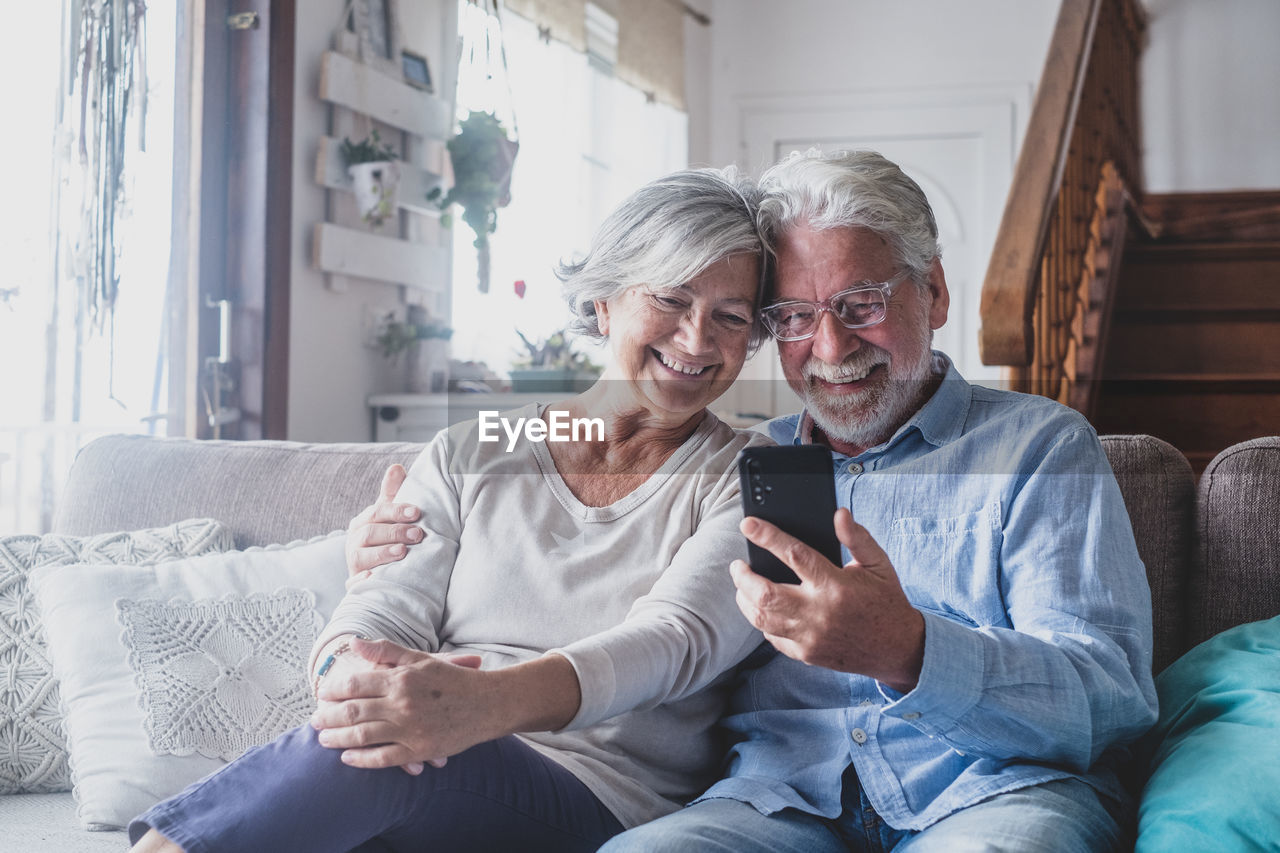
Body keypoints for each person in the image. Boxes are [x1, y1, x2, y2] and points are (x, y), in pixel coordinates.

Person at [359, 149, 1160, 851]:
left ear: (936, 294)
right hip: (779, 805)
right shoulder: (737, 463)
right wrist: (374, 544)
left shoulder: (1042, 448)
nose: (832, 347)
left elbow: (1114, 697)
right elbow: (566, 570)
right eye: (795, 317)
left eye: (862, 305)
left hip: (993, 795)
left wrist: (910, 649)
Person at [127, 166, 775, 853]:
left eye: (731, 316)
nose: (698, 338)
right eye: (672, 298)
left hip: (595, 798)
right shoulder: (481, 447)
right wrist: (346, 670)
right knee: (380, 748)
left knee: (396, 755)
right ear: (606, 301)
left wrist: (479, 707)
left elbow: (674, 642)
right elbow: (380, 608)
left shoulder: (747, 474)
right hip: (436, 763)